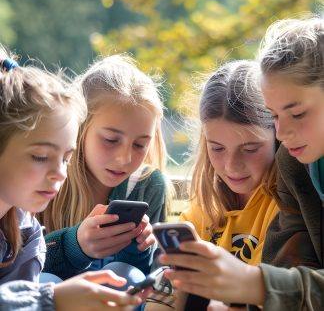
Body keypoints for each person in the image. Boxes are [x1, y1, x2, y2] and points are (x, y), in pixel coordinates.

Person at [160, 16, 324, 310]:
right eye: (274, 116)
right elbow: (291, 272)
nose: (283, 134)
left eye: (297, 114)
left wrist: (252, 284)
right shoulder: (294, 165)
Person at [0, 47, 145, 310]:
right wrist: (51, 300)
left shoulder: (27, 233)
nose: (60, 173)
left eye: (66, 157)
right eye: (41, 156)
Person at [147, 60, 279, 310]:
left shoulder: (283, 205)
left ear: (277, 136)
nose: (231, 166)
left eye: (250, 149)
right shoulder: (206, 206)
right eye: (217, 148)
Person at [40, 54, 170, 284]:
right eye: (111, 140)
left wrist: (138, 248)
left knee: (126, 275)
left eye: (140, 144)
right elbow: (19, 267)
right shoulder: (48, 176)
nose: (124, 158)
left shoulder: (146, 185)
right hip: (52, 298)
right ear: (80, 128)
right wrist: (76, 245)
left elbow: (147, 278)